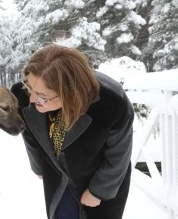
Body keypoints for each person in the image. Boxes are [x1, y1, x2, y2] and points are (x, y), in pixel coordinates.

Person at [11, 44, 134, 219]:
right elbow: (29, 133)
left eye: (42, 96)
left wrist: (99, 191)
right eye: (30, 88)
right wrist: (38, 167)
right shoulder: (25, 95)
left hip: (97, 175)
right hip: (58, 175)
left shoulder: (111, 104)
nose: (31, 98)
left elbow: (119, 153)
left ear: (68, 92)